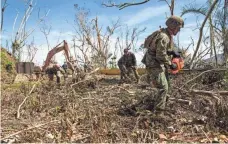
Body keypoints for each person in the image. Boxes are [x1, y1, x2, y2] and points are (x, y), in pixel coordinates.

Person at [141, 15, 184, 111]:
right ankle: (158, 113)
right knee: (163, 88)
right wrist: (170, 64)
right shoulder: (164, 36)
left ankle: (164, 105)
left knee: (167, 85)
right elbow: (160, 55)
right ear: (173, 26)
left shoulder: (165, 34)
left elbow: (160, 50)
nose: (179, 30)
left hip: (158, 63)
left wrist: (171, 52)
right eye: (178, 28)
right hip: (154, 64)